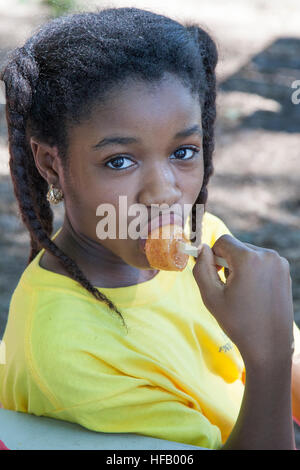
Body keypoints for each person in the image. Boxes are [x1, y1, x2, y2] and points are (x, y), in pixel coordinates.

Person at [0, 7, 299, 450]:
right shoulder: (71, 353)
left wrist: (276, 348)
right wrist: (270, 358)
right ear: (51, 164)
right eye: (120, 161)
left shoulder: (204, 237)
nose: (164, 195)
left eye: (183, 151)